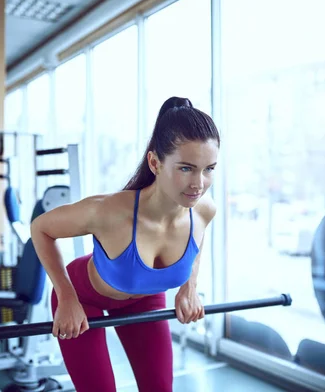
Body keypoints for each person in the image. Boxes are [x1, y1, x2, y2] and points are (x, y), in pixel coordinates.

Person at [30, 97, 220, 392]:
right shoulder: (109, 211)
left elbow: (196, 244)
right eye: (186, 168)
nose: (199, 182)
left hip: (144, 298)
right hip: (84, 297)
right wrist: (66, 297)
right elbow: (41, 228)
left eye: (209, 169)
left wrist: (189, 287)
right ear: (155, 163)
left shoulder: (203, 211)